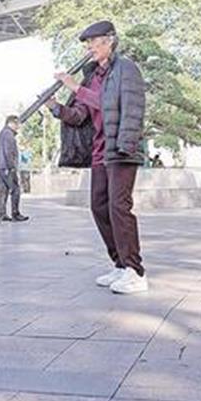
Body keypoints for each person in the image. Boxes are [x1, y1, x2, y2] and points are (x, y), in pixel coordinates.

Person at [49, 21, 149, 294]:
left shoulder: (125, 68)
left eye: (93, 42)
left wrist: (73, 86)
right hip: (98, 152)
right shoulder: (92, 77)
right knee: (99, 207)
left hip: (121, 148)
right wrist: (56, 107)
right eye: (87, 44)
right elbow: (80, 115)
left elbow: (111, 103)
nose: (89, 48)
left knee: (119, 207)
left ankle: (136, 272)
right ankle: (120, 264)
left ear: (109, 41)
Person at [0, 115, 29, 223]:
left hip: (1, 167)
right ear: (11, 123)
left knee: (3, 191)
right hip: (7, 167)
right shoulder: (8, 134)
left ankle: (2, 214)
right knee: (15, 189)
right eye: (17, 124)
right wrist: (12, 167)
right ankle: (15, 214)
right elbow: (9, 152)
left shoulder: (3, 133)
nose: (18, 126)